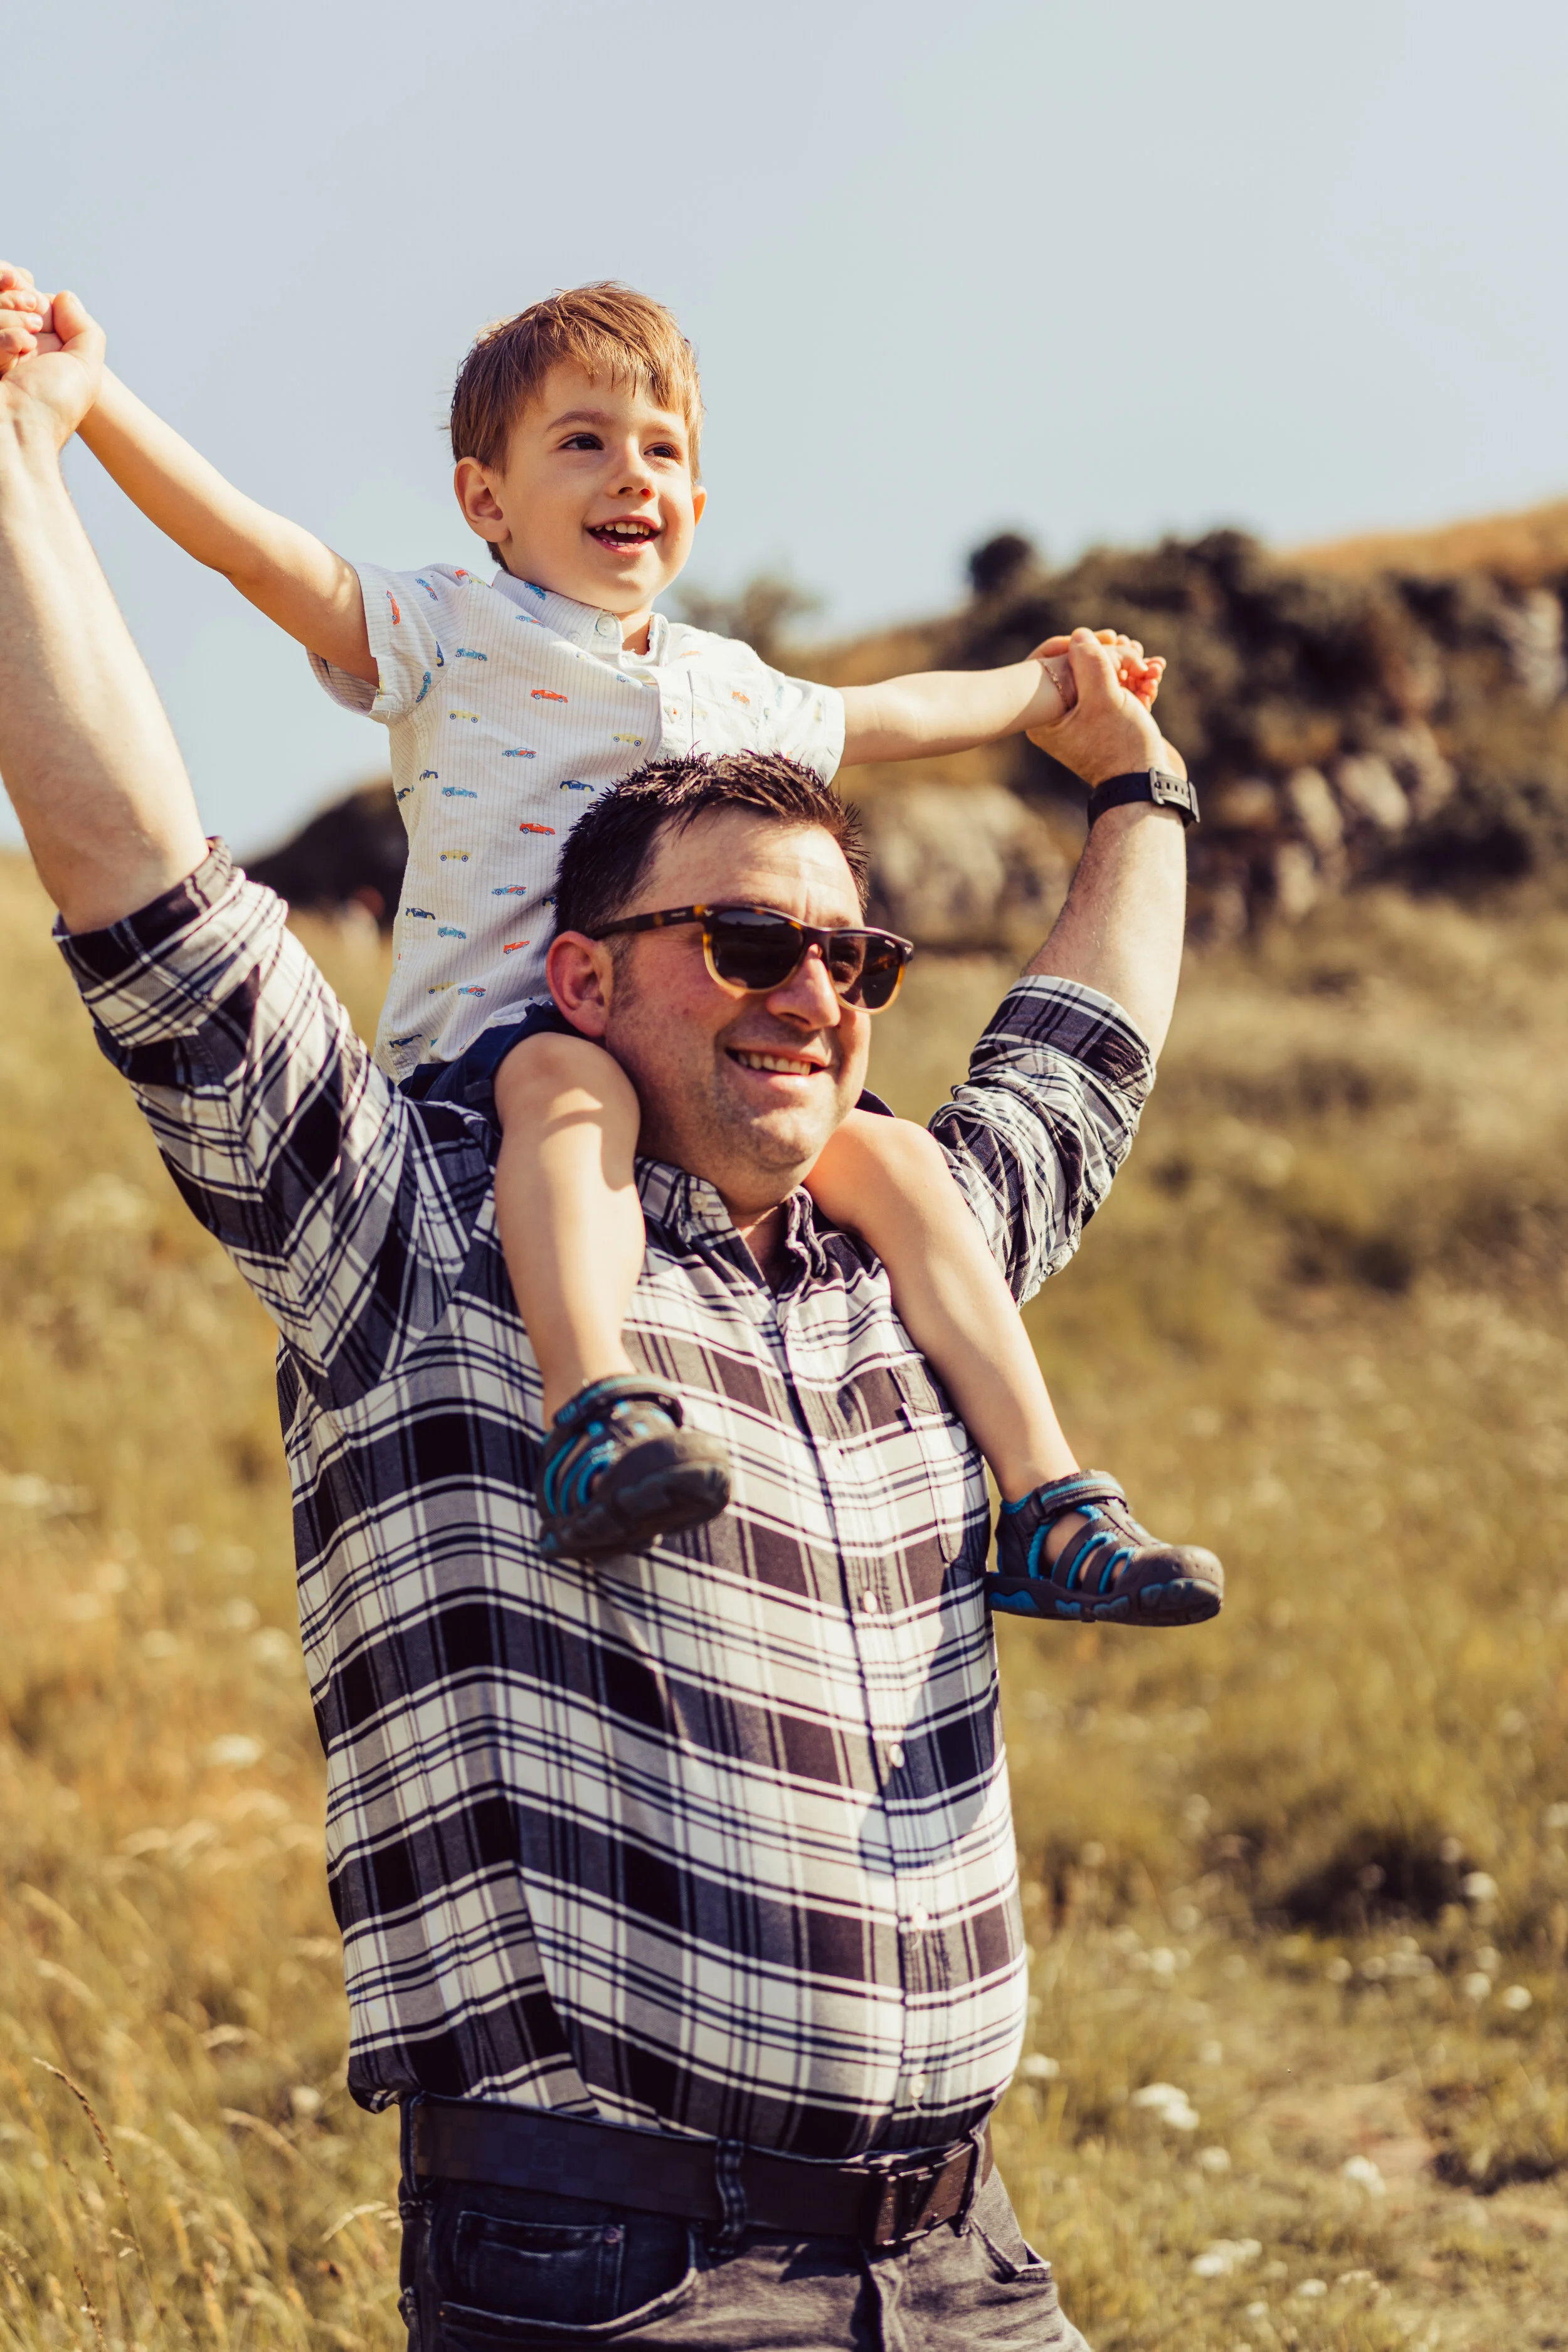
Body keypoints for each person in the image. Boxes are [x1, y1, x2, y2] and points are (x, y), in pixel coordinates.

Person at [1, 287, 1211, 2348]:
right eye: (749, 940)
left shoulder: (908, 1249)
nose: (813, 992)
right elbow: (140, 875)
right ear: (591, 974)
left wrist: (1137, 783)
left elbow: (1085, 1047)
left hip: (965, 2261)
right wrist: (36, 443)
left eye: (852, 953)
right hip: (617, 2275)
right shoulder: (416, 1235)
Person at [0, 267, 1220, 1623]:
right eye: (579, 441)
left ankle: (1046, 1497)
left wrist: (1059, 691)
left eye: (660, 449)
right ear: (486, 501)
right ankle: (594, 1410)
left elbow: (901, 712)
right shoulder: (450, 631)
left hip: (690, 1054)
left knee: (899, 1161)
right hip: (501, 1057)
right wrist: (92, 398)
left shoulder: (732, 686)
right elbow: (252, 549)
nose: (626, 472)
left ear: (694, 507)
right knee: (567, 1090)